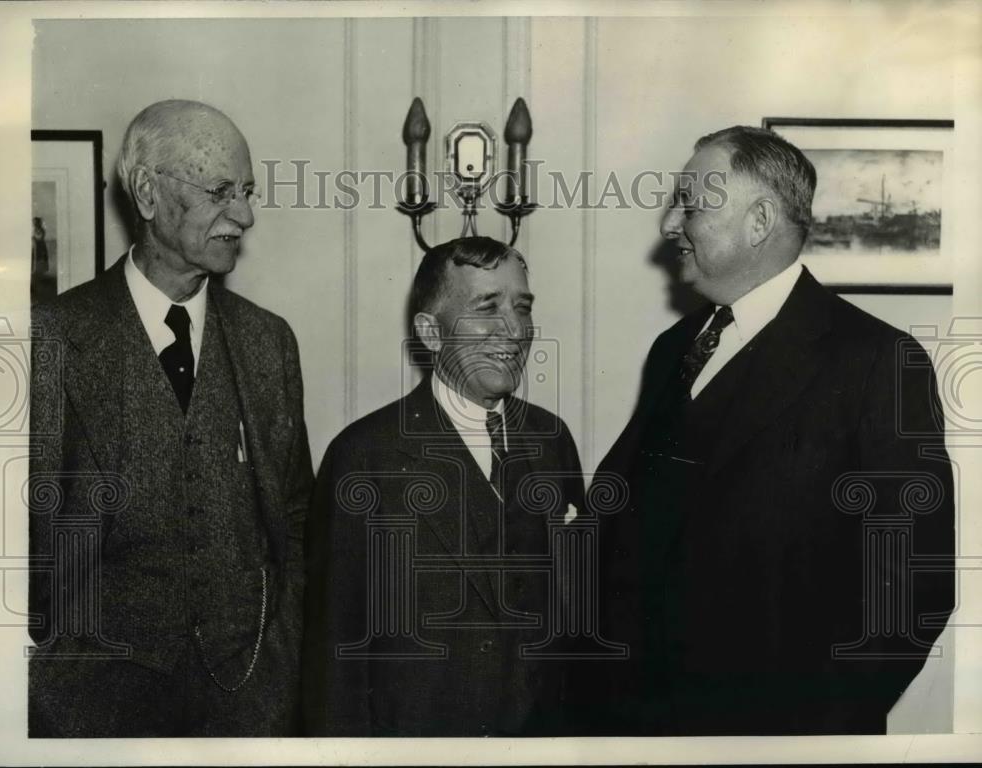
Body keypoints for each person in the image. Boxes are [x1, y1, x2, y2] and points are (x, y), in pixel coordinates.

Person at [583, 126, 955, 735]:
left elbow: (915, 587)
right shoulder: (674, 347)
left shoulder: (878, 360)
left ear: (758, 221)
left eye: (693, 203)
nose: (669, 223)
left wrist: (811, 730)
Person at [28, 100, 315, 736]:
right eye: (220, 192)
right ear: (149, 194)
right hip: (91, 705)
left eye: (245, 192)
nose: (243, 215)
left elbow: (296, 517)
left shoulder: (270, 343)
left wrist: (282, 657)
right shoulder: (51, 339)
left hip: (248, 700)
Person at [303, 236, 584, 736]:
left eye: (523, 308)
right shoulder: (364, 456)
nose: (515, 331)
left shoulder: (552, 439)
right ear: (430, 333)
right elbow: (335, 657)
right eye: (487, 307)